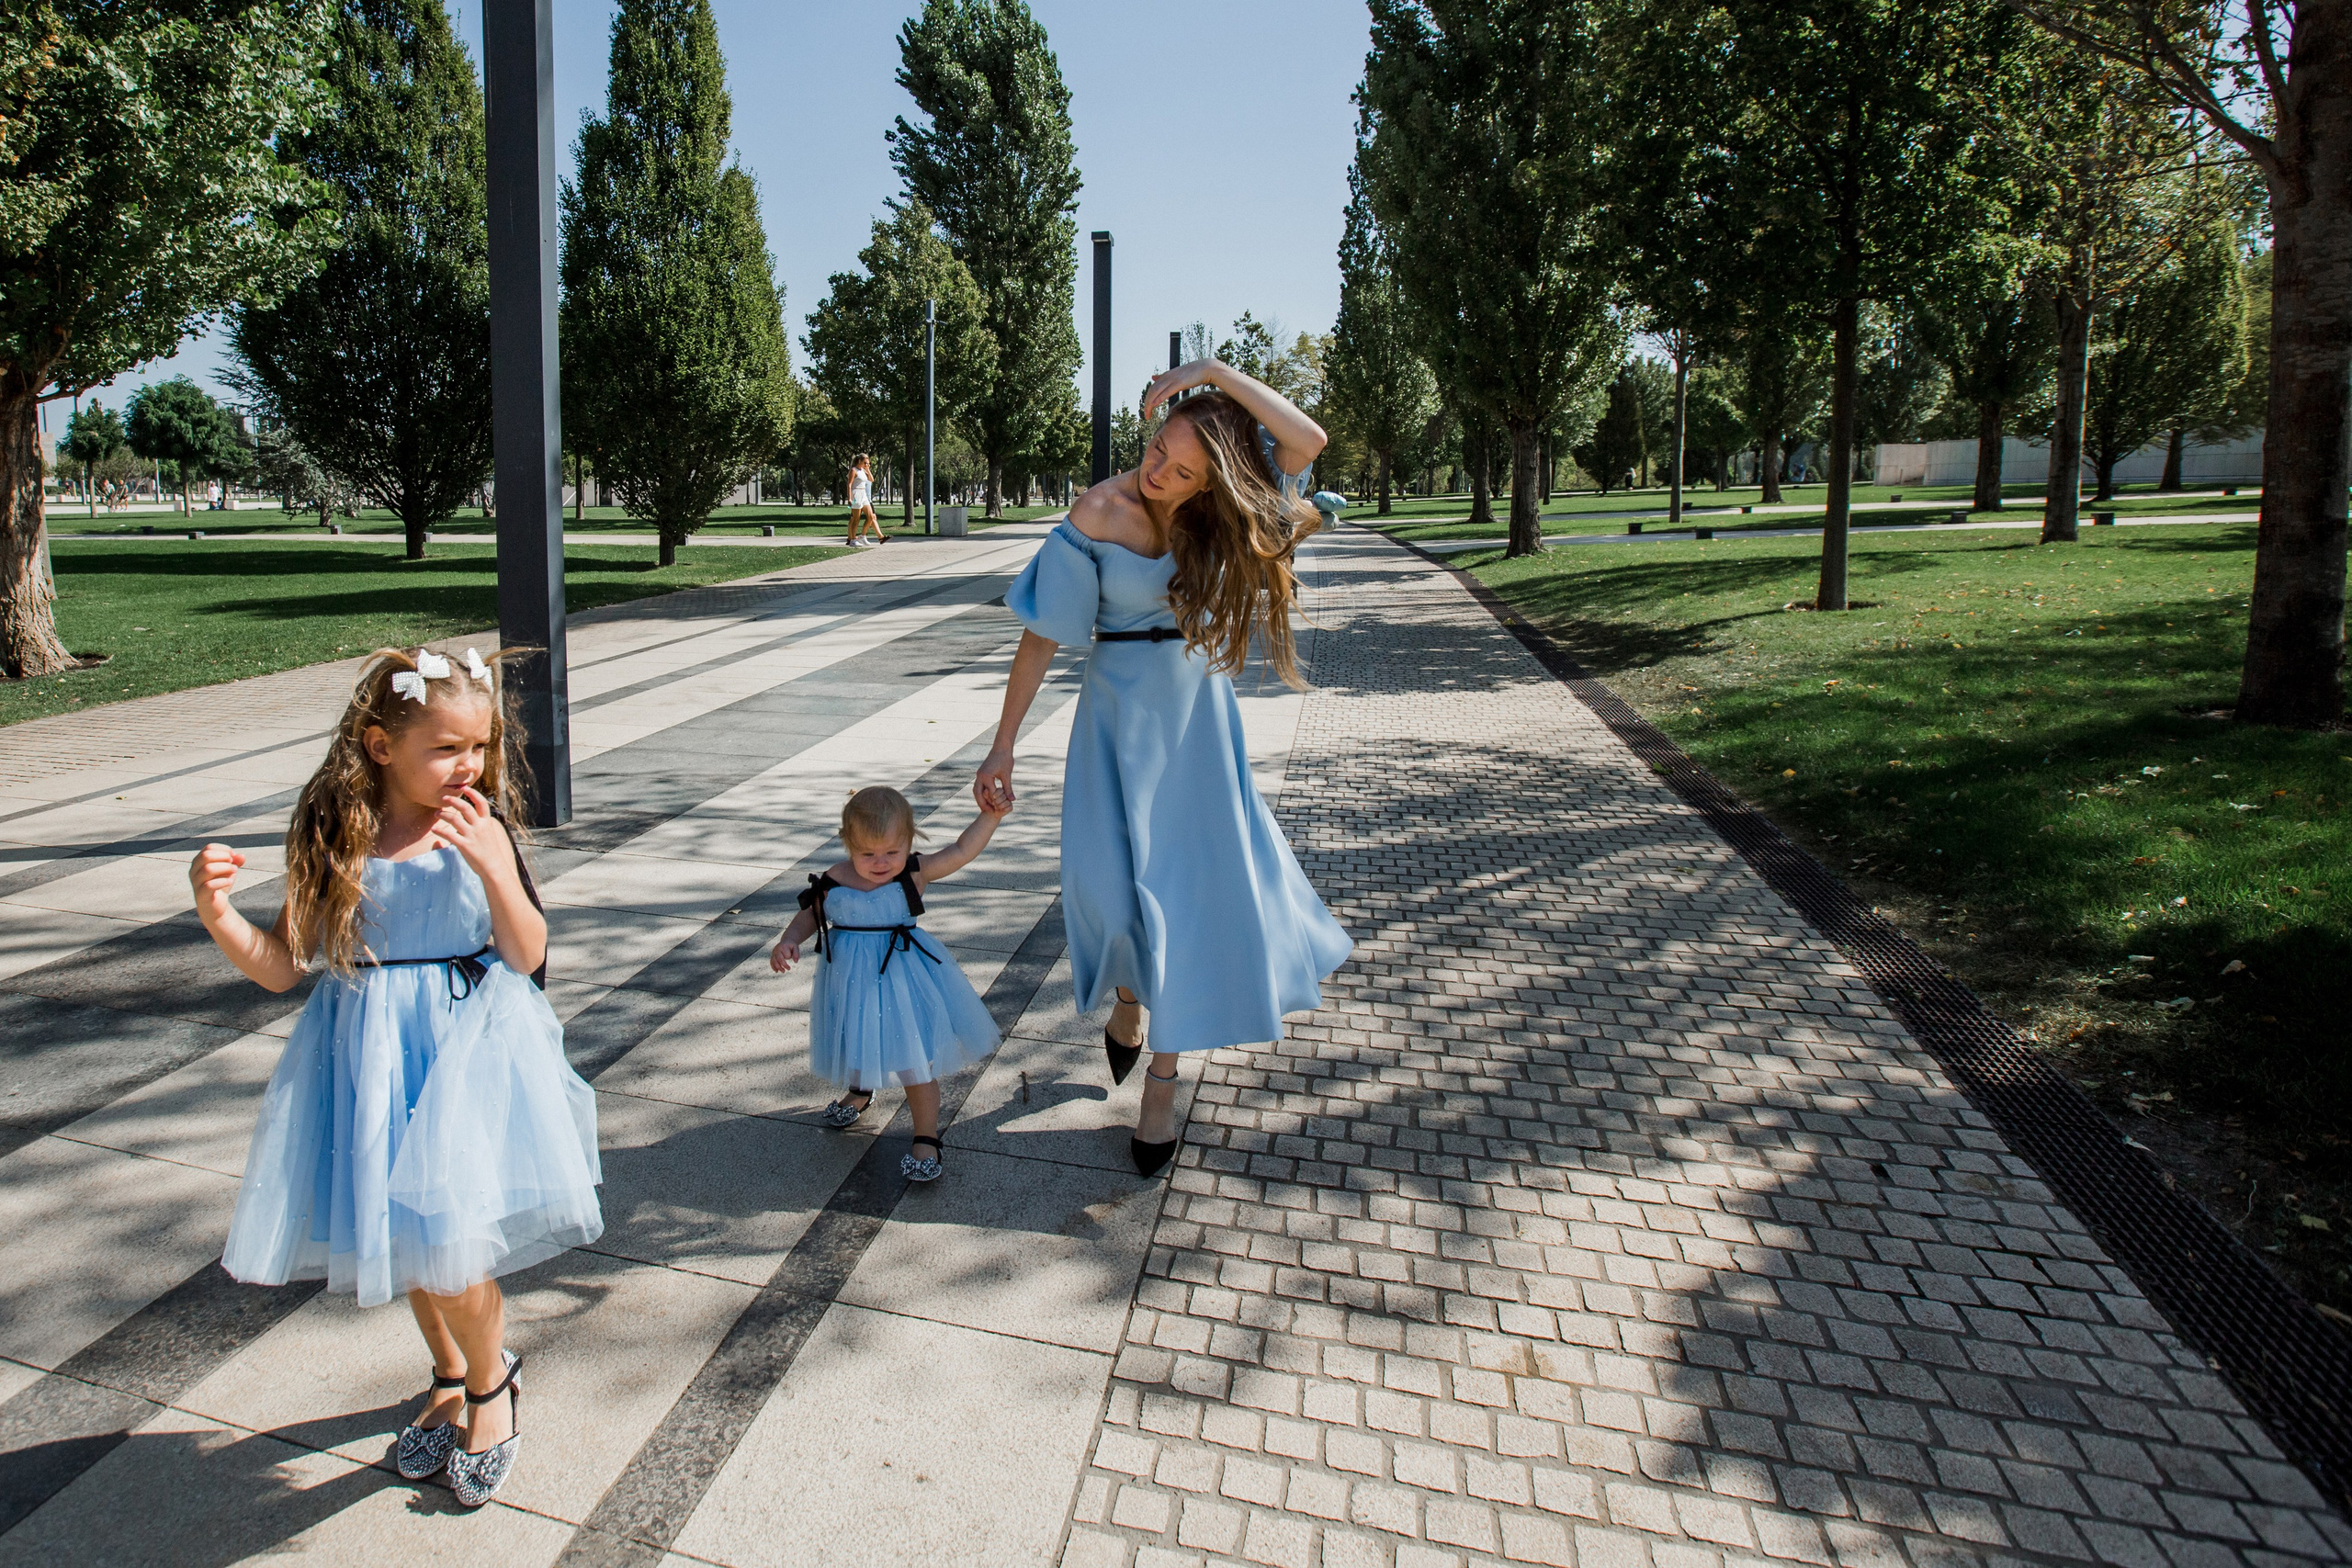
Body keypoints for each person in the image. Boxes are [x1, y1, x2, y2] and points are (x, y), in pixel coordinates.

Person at [187, 646, 601, 1508]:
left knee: (452, 1248)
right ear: (379, 745)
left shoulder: (477, 826)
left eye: (480, 746)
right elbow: (279, 966)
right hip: (366, 1057)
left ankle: (493, 1386)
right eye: (446, 749)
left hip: (461, 1053)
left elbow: (527, 954)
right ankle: (449, 1374)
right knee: (405, 1237)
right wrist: (217, 913)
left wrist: (492, 864)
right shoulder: (339, 831)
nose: (470, 767)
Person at [974, 361, 1352, 1177]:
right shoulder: (1098, 510)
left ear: (1213, 475)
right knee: (1105, 890)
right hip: (1115, 719)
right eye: (1156, 451)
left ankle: (1163, 1087)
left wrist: (1212, 374)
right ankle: (1128, 1001)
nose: (1158, 473)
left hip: (1196, 726)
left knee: (1189, 904)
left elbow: (1306, 440)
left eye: (1181, 469)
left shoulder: (1222, 510)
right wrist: (1002, 742)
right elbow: (1042, 634)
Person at [772, 785, 1009, 1180]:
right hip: (850, 981)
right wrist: (789, 941)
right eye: (867, 854)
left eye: (891, 852)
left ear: (909, 842)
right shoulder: (832, 880)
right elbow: (809, 917)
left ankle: (926, 1137)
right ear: (848, 843)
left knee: (912, 1058)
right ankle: (862, 1090)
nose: (881, 863)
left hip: (903, 982)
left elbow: (962, 850)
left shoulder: (914, 872)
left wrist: (991, 816)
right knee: (856, 1036)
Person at [844, 454, 887, 547]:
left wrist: (867, 470)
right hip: (856, 495)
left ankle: (862, 536)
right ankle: (852, 540)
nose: (867, 464)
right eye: (865, 463)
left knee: (871, 517)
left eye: (868, 463)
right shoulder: (853, 470)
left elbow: (871, 480)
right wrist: (850, 498)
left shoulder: (863, 470)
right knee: (856, 519)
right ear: (860, 461)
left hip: (864, 495)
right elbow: (849, 485)